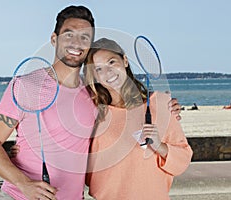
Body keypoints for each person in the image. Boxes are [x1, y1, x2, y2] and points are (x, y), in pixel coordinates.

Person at [0, 5, 96, 200]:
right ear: (54, 39)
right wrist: (24, 184)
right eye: (69, 35)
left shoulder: (94, 94)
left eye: (84, 37)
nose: (76, 43)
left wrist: (165, 104)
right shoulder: (27, 85)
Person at [82, 38, 193, 199]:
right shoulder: (92, 110)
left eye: (112, 62)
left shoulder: (162, 104)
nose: (108, 72)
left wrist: (159, 146)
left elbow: (183, 159)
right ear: (95, 76)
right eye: (99, 69)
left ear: (125, 61)